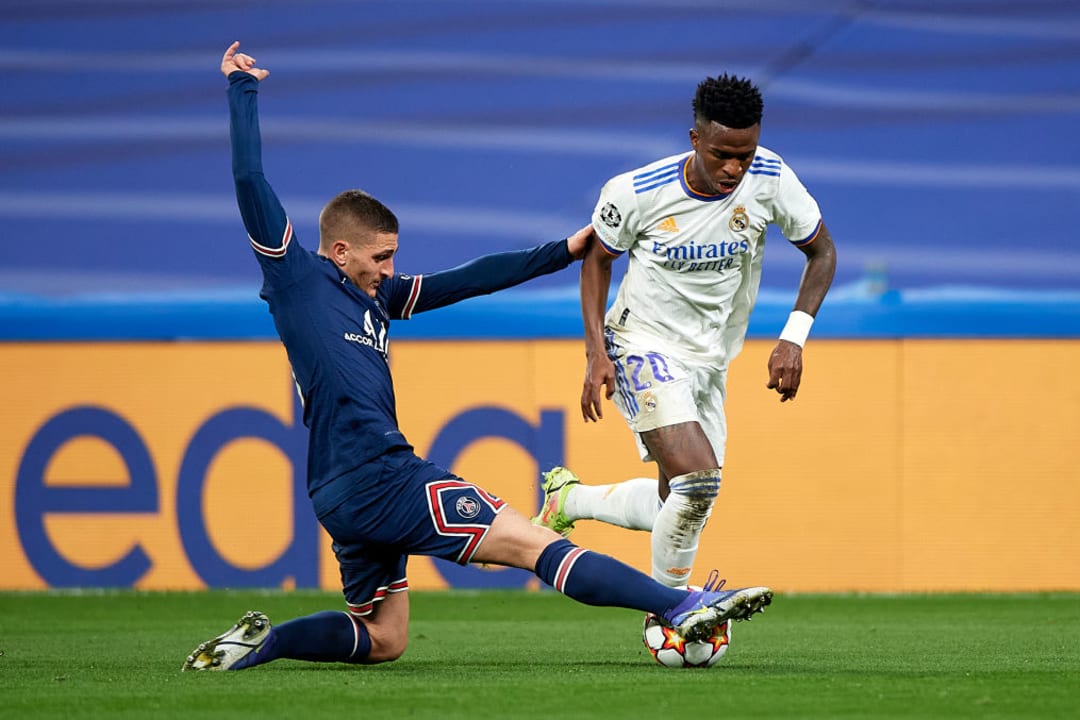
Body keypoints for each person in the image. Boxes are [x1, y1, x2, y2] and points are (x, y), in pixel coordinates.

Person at [182, 43, 773, 672]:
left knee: (383, 638)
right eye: (379, 258)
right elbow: (250, 180)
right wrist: (241, 90)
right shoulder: (297, 280)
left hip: (336, 492)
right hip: (382, 474)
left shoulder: (377, 301)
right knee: (532, 542)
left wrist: (563, 250)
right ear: (339, 250)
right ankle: (677, 605)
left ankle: (267, 643)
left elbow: (466, 279)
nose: (389, 270)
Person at [533, 74, 836, 589]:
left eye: (745, 153)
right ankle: (671, 612)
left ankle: (571, 500)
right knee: (697, 484)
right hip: (639, 342)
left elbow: (822, 251)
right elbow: (596, 261)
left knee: (680, 504)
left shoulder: (771, 177)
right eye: (722, 154)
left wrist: (793, 336)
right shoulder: (636, 192)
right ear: (695, 139)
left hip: (710, 358)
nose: (734, 168)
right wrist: (594, 354)